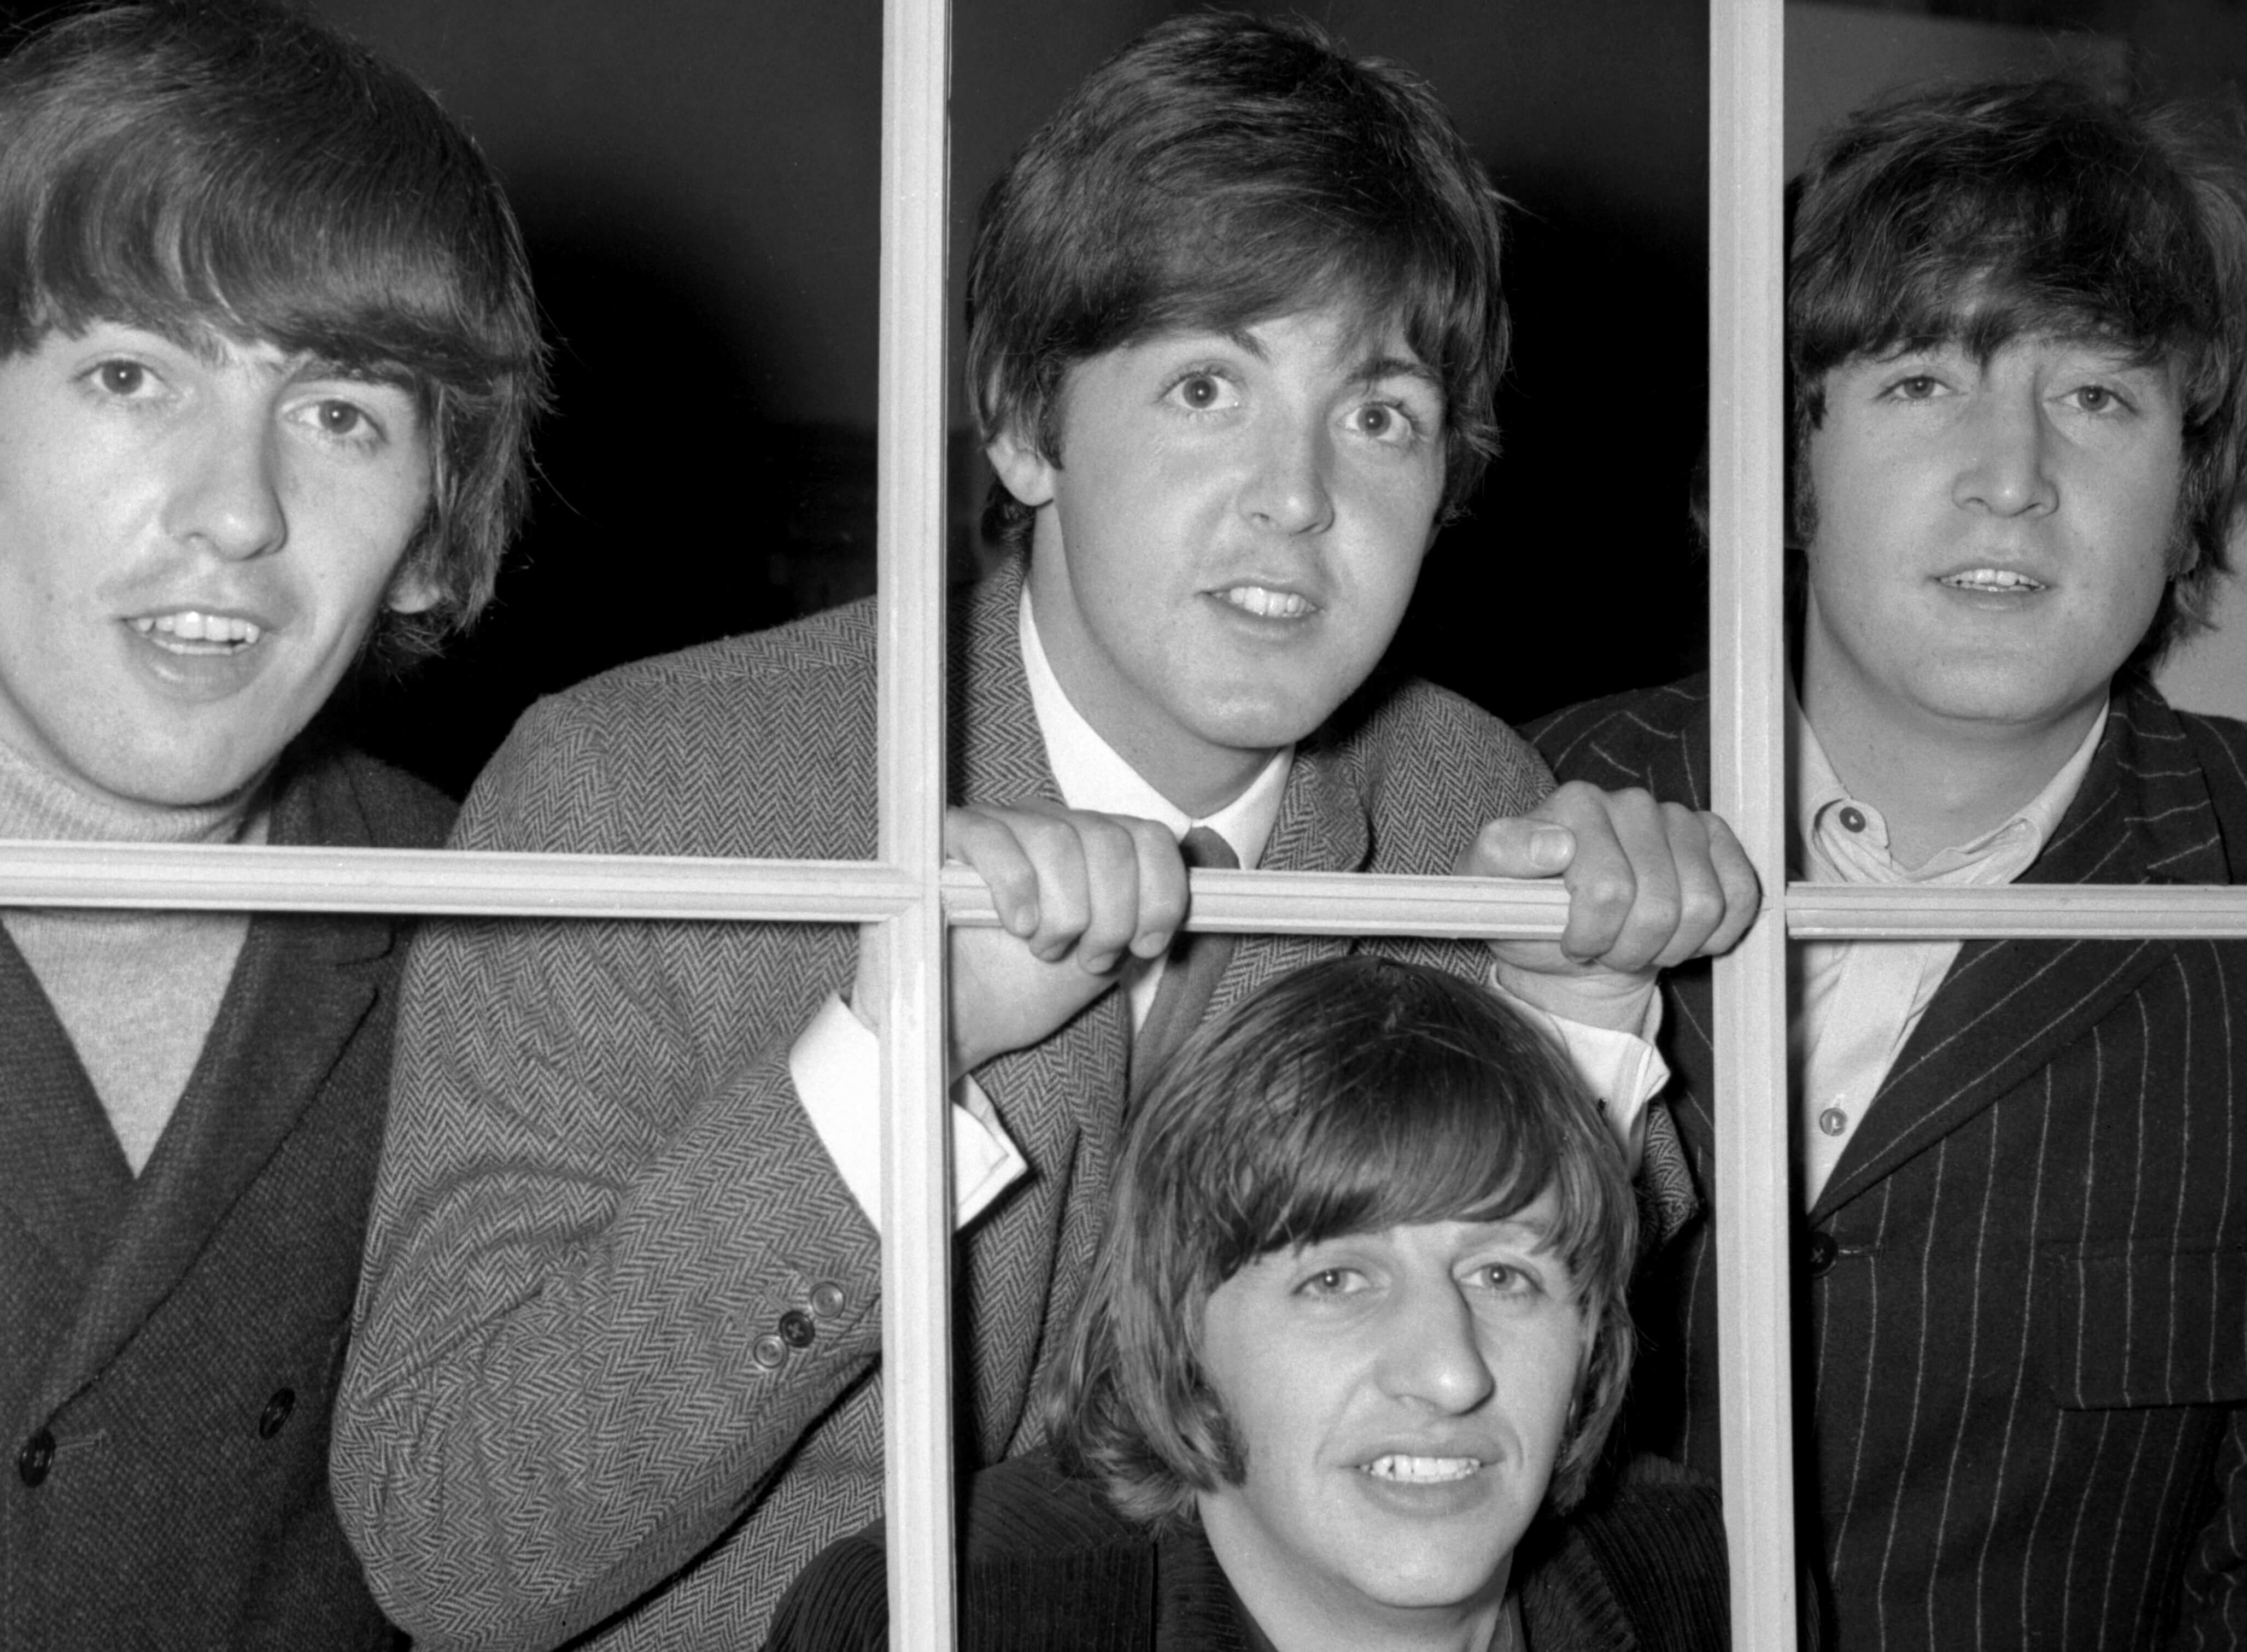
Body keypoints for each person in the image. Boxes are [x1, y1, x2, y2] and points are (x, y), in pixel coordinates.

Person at [331, 14, 1754, 1648]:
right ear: (1020, 421)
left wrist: (1578, 1029)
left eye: (1377, 416)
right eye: (1206, 384)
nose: (1295, 496)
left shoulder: (1474, 820)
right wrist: (877, 1071)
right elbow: (447, 1536)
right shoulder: (633, 796)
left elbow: (1535, 1451)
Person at [1532, 78, 2247, 1650]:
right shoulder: (1503, 806)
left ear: (2186, 489)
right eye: (1922, 380)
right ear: (1785, 460)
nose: (2012, 472)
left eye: (2099, 397)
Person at [0, 2, 545, 1648]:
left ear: (433, 529)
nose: (235, 508)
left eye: (339, 413)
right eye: (126, 372)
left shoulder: (516, 936)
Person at [763, 957, 1730, 1652]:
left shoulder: (1707, 1574)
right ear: (1178, 1332)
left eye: (1502, 1276)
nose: (1450, 1370)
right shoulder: (944, 1614)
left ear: (1591, 1334)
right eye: (1336, 1280)